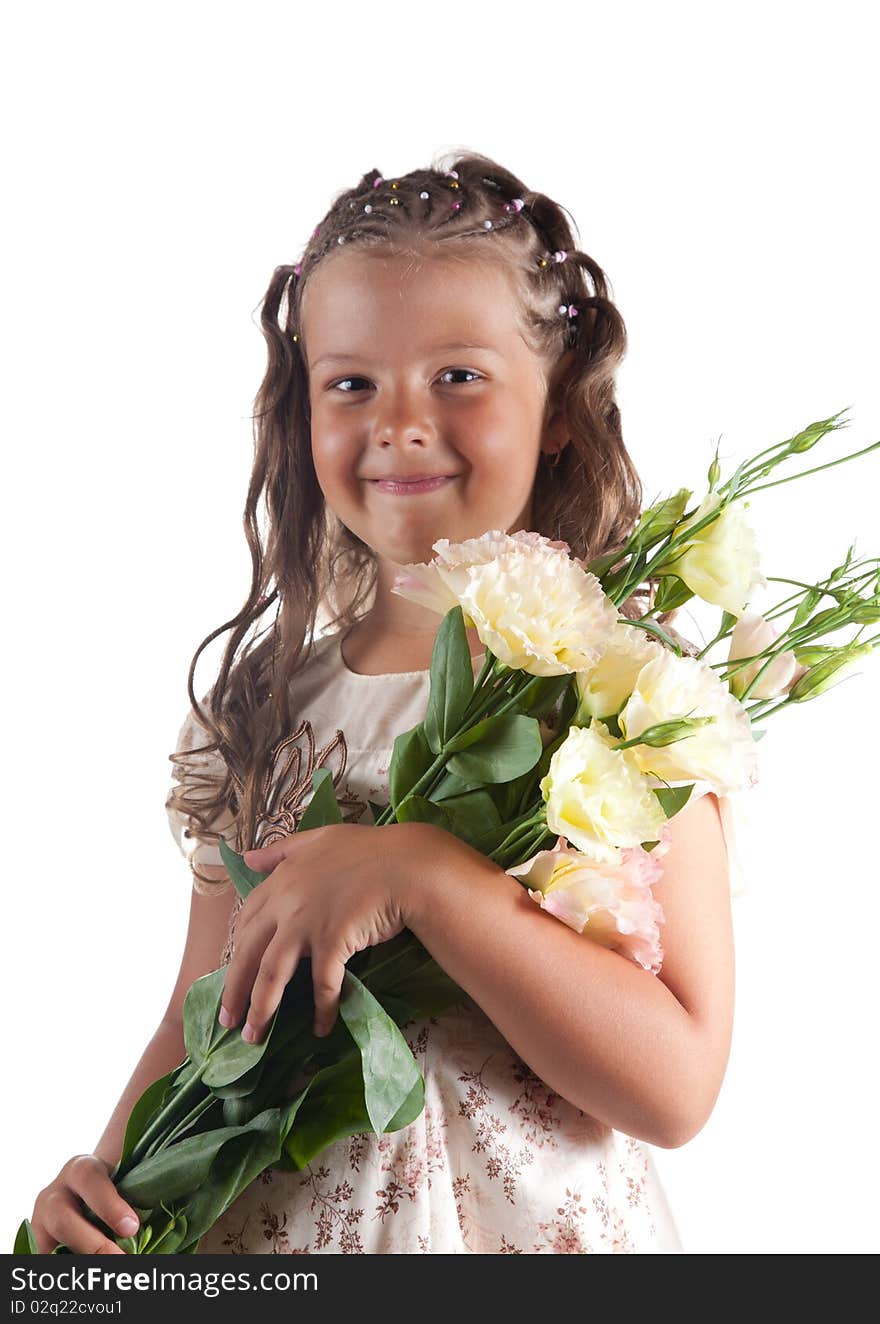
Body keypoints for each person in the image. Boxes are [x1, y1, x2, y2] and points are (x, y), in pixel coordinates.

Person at [30, 150, 742, 1255]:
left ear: (557, 408)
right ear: (300, 412)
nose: (400, 423)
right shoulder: (262, 711)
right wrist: (107, 1185)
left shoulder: (618, 698)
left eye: (457, 376)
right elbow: (203, 1016)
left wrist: (426, 879)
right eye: (352, 382)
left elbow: (674, 1086)